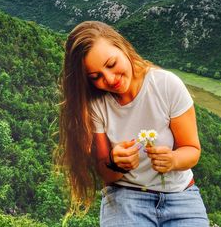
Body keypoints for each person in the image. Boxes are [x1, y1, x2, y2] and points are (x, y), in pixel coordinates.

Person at [55, 21, 209, 226]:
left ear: (123, 47)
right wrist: (114, 162)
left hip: (180, 194)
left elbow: (192, 150)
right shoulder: (96, 105)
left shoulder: (166, 85)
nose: (109, 79)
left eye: (111, 64)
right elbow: (105, 173)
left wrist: (172, 160)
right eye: (96, 77)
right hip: (127, 196)